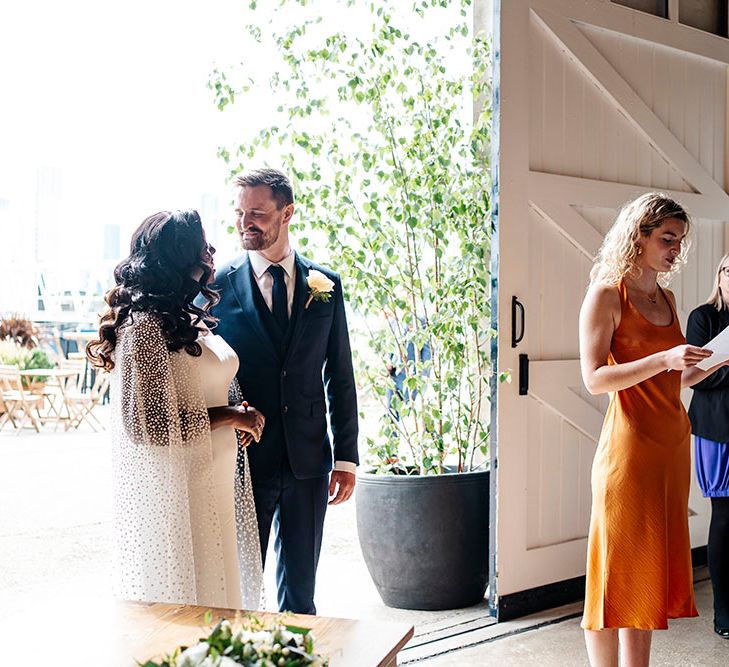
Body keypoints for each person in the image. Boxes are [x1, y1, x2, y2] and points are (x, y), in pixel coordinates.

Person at [87, 210, 266, 609]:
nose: (212, 249)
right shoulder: (144, 327)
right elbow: (145, 424)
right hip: (179, 483)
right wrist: (229, 417)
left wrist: (235, 411)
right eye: (203, 243)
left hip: (214, 475)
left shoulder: (186, 318)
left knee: (218, 588)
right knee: (190, 593)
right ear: (179, 256)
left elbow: (201, 391)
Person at [578, 193, 728, 666]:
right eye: (667, 239)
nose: (675, 250)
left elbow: (674, 378)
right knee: (614, 579)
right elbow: (595, 378)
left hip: (670, 447)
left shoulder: (666, 297)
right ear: (636, 235)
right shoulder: (607, 294)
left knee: (645, 583)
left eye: (680, 241)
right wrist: (663, 357)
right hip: (629, 451)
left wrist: (713, 360)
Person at [206, 168, 359, 615]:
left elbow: (341, 376)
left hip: (310, 461)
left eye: (256, 212)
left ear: (287, 212)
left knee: (301, 596)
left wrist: (345, 458)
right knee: (242, 585)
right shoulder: (215, 287)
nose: (244, 222)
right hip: (243, 458)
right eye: (239, 212)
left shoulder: (325, 286)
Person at [686, 253, 729, 639]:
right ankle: (724, 612)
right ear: (719, 276)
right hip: (718, 431)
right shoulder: (704, 318)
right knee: (726, 518)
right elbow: (695, 379)